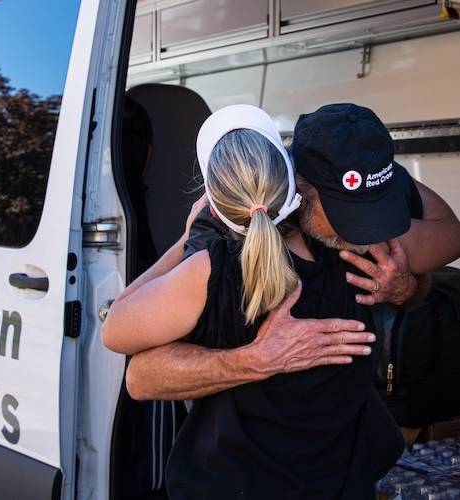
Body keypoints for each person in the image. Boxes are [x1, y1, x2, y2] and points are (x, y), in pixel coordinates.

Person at [102, 105, 409, 498]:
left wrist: (182, 243)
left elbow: (116, 331)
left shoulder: (208, 271)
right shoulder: (350, 252)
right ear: (291, 180)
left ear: (215, 205)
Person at [123, 104, 460, 404]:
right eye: (348, 213)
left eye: (374, 209)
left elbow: (449, 238)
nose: (367, 230)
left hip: (350, 463)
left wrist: (406, 290)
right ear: (299, 183)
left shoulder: (363, 226)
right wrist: (253, 360)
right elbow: (141, 376)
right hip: (252, 470)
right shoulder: (221, 253)